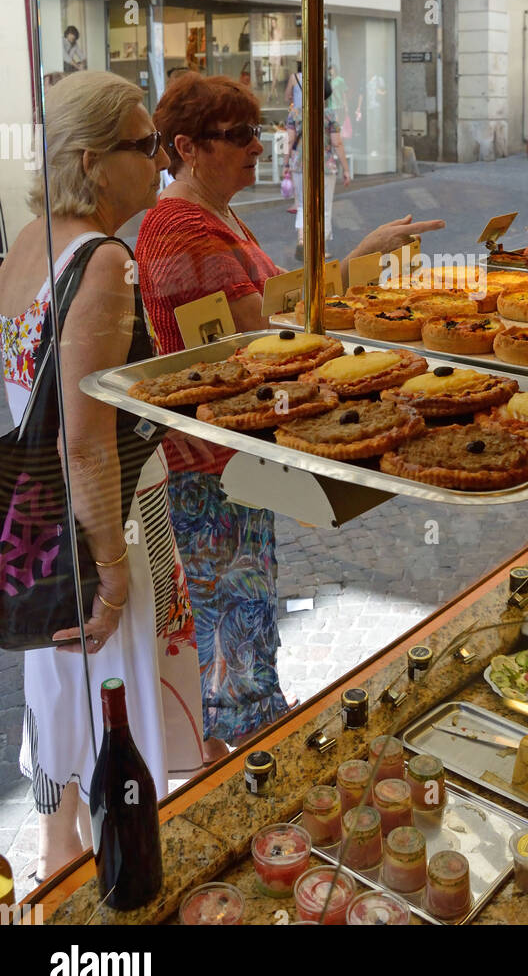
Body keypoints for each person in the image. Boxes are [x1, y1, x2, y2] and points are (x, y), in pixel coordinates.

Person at [135, 71, 444, 757]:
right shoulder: (180, 228)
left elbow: (278, 308)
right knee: (230, 622)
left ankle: (249, 736)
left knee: (243, 610)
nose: (257, 146)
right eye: (237, 135)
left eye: (258, 130)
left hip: (229, 456)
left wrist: (355, 267)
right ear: (186, 146)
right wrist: (359, 266)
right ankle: (247, 765)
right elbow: (272, 335)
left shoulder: (216, 212)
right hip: (206, 467)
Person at [0, 73, 204, 881]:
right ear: (91, 160)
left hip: (39, 533)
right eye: (143, 145)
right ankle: (125, 876)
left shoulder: (28, 242)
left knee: (62, 692)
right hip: (105, 524)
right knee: (120, 704)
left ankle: (61, 851)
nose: (159, 162)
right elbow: (84, 442)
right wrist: (115, 576)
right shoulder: (106, 260)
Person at [286, 78, 351, 261]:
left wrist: (285, 163)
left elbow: (289, 141)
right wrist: (346, 169)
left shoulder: (295, 113)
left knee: (301, 204)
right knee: (324, 207)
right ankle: (319, 248)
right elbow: (337, 142)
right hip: (325, 165)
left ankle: (301, 240)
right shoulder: (329, 114)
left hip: (299, 164)